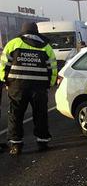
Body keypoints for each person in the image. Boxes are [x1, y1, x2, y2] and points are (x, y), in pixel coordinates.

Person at [0, 22, 57, 155]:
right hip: (39, 87)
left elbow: (3, 65)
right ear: (36, 31)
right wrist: (50, 83)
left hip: (17, 86)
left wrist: (4, 81)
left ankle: (16, 145)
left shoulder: (13, 44)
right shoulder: (46, 47)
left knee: (15, 115)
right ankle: (42, 142)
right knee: (40, 114)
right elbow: (52, 68)